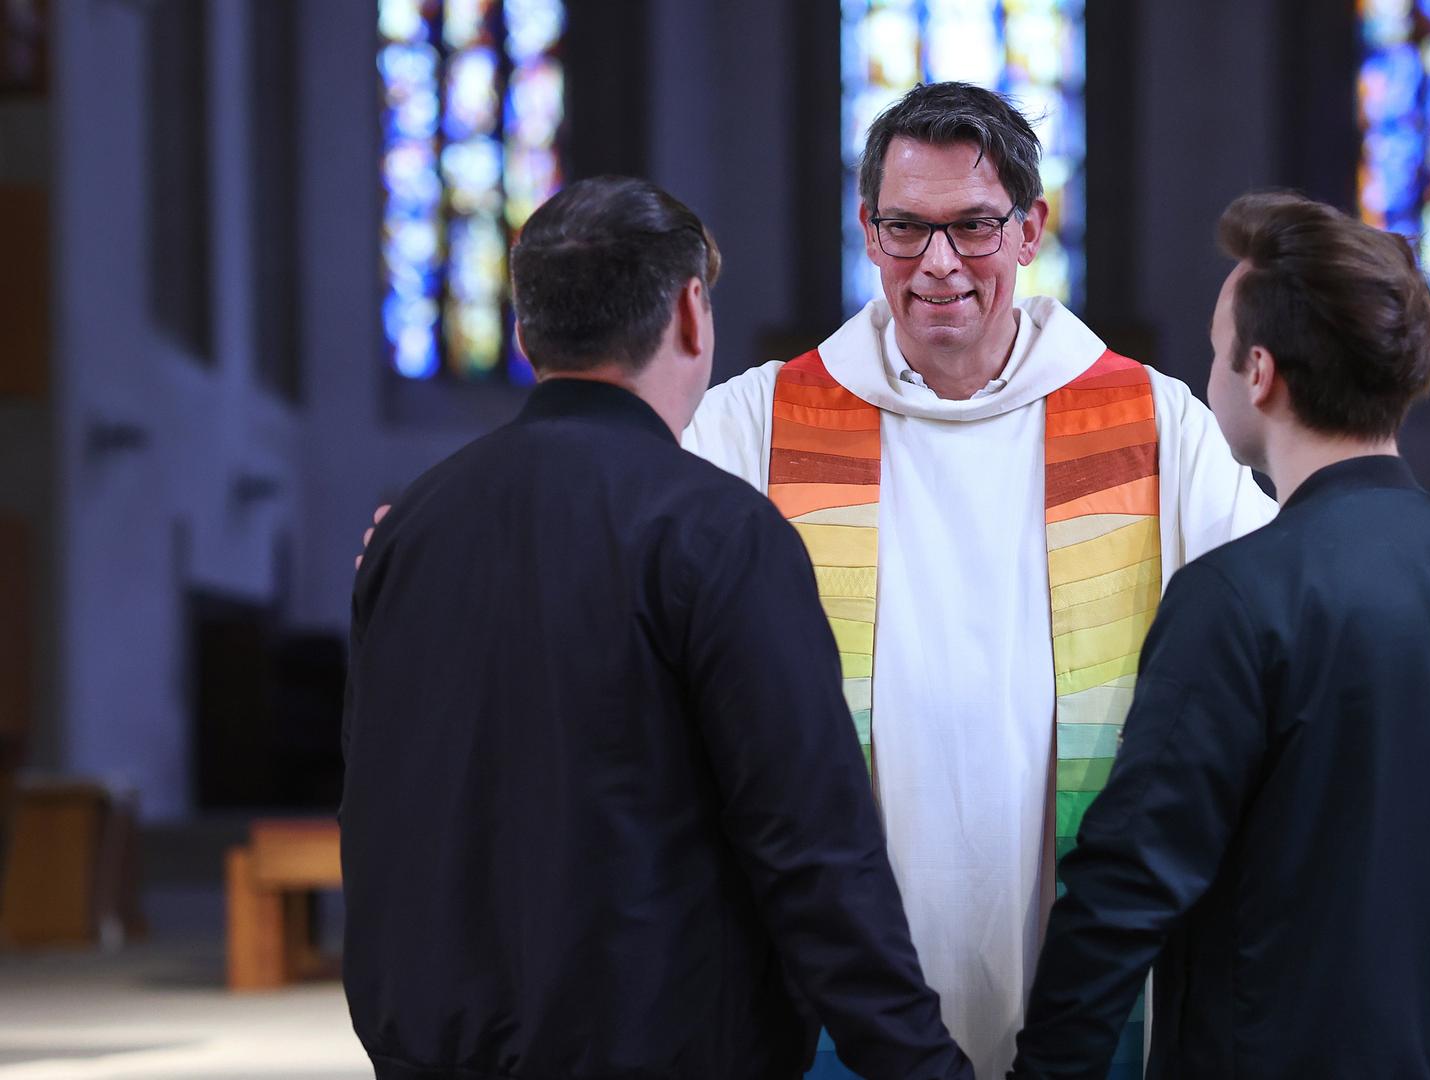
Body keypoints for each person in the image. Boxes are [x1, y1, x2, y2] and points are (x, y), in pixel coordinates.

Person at [681, 82, 1275, 1079]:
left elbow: (1287, 585)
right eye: (906, 228)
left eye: (974, 227)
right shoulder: (763, 422)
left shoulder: (1151, 422)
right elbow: (618, 524)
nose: (939, 264)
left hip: (1070, 938)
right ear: (868, 232)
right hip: (844, 951)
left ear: (1033, 226)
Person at [341, 176, 971, 1080]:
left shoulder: (411, 528)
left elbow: (376, 816)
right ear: (690, 314)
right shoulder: (718, 531)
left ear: (526, 332)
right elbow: (813, 853)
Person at [1008, 191, 1430, 1079]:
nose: (1210, 375)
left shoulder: (1239, 598)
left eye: (1214, 352)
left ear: (1260, 374)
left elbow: (1131, 879)